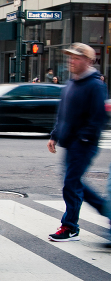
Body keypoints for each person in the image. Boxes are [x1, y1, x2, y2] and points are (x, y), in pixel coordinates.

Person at [47, 43, 111, 241]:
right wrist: (55, 135)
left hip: (83, 144)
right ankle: (75, 223)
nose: (71, 61)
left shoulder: (95, 85)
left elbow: (100, 116)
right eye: (70, 57)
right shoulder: (71, 83)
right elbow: (63, 113)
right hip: (70, 141)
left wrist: (83, 137)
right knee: (72, 183)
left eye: (76, 58)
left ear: (89, 61)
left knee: (72, 183)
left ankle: (70, 226)